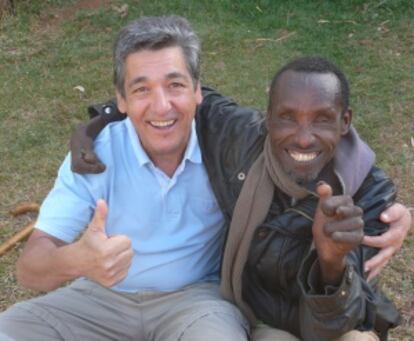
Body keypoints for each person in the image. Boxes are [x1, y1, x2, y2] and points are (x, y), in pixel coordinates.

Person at [70, 56, 411, 340]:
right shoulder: (241, 139)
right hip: (243, 311)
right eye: (287, 118)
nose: (303, 138)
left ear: (345, 121)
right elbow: (176, 101)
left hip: (320, 327)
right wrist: (95, 129)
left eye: (322, 120)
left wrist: (331, 263)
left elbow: (337, 325)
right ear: (268, 117)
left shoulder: (367, 195)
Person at [0, 16, 249, 341]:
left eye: (175, 85)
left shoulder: (225, 150)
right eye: (142, 89)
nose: (162, 107)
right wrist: (75, 260)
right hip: (100, 298)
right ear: (121, 99)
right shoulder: (95, 154)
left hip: (196, 301)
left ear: (197, 90)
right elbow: (29, 268)